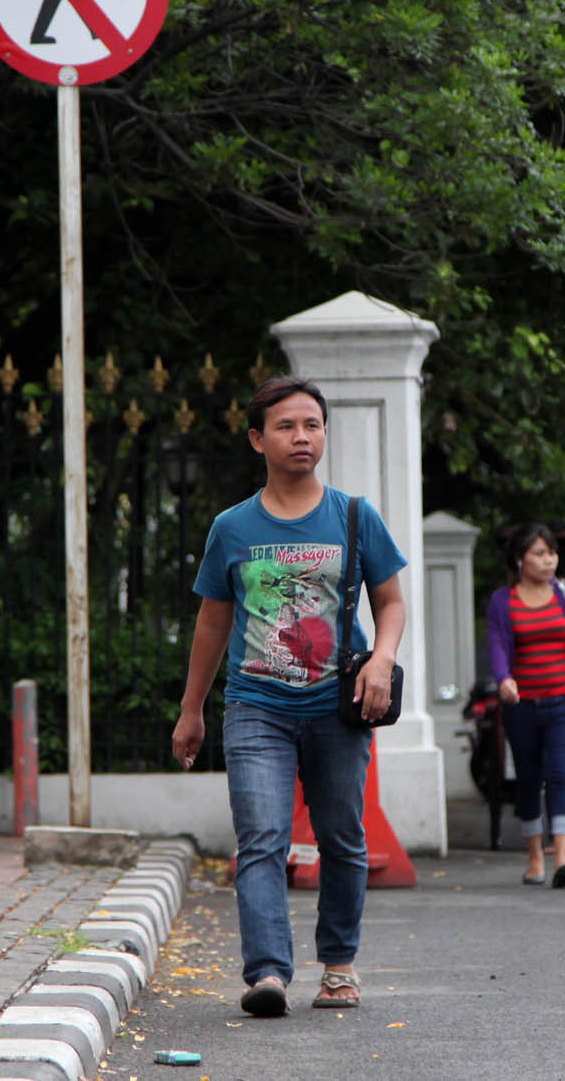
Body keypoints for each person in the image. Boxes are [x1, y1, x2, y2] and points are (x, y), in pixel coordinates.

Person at [171, 376, 406, 1018]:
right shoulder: (232, 526)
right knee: (263, 837)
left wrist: (382, 658)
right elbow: (214, 621)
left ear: (324, 434)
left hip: (337, 706)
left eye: (312, 425)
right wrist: (192, 709)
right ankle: (268, 972)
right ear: (258, 439)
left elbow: (390, 601)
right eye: (285, 426)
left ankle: (338, 967)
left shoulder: (354, 515)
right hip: (255, 705)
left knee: (341, 836)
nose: (301, 436)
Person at [483, 525, 565, 890]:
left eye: (551, 553)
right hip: (522, 705)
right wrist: (503, 678)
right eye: (539, 553)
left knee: (562, 775)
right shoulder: (502, 601)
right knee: (528, 779)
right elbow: (496, 645)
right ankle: (535, 857)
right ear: (520, 559)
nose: (548, 560)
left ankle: (564, 858)